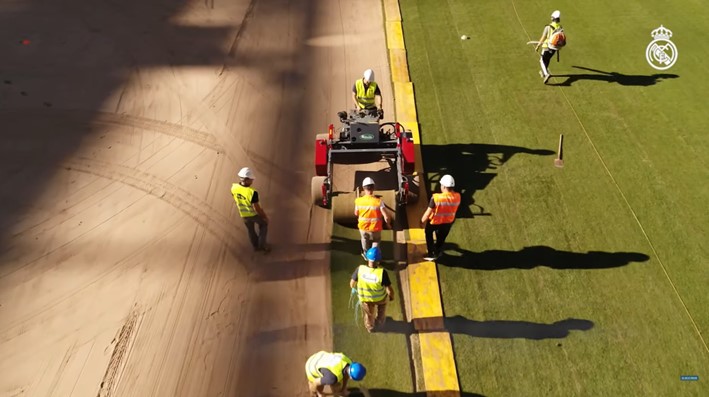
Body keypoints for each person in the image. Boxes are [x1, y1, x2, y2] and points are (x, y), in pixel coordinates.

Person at [350, 247, 394, 333]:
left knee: (369, 314)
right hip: (380, 299)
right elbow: (389, 289)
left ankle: (370, 327)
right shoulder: (382, 273)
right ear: (378, 260)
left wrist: (354, 290)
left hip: (365, 299)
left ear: (367, 258)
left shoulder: (360, 269)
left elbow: (352, 284)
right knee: (381, 309)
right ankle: (380, 322)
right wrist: (391, 296)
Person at [420, 174, 461, 261]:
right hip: (448, 223)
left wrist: (422, 221)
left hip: (435, 222)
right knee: (441, 238)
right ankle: (437, 251)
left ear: (444, 187)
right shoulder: (458, 196)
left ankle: (431, 253)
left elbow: (428, 212)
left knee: (428, 234)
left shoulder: (436, 198)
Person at [230, 167, 270, 252]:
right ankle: (262, 245)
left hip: (243, 215)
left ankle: (255, 246)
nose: (252, 181)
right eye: (251, 179)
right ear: (247, 180)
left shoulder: (233, 187)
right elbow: (257, 208)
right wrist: (264, 217)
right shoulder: (252, 192)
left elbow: (234, 196)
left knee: (251, 230)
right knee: (263, 225)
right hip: (252, 214)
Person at [354, 177, 391, 260]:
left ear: (363, 188)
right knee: (376, 241)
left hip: (363, 227)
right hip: (376, 228)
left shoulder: (358, 201)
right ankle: (374, 256)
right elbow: (386, 216)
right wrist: (388, 224)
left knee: (364, 239)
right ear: (373, 188)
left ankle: (366, 254)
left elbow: (356, 213)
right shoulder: (378, 202)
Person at [534, 10, 566, 84]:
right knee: (547, 59)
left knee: (541, 60)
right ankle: (543, 72)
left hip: (547, 46)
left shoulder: (548, 27)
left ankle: (546, 74)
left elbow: (543, 37)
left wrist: (538, 46)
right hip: (555, 48)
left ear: (552, 18)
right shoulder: (560, 27)